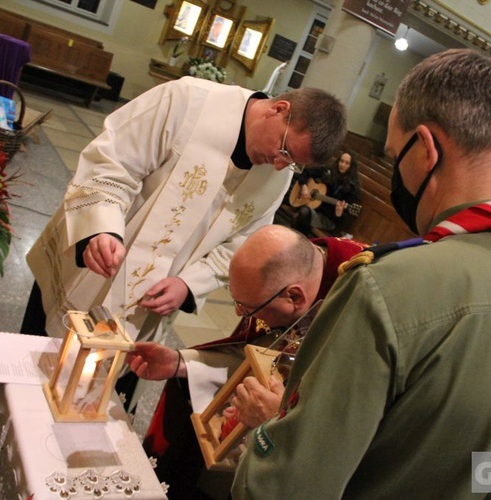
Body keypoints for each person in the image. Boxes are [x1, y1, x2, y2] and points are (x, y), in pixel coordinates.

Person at [233, 49, 491, 499]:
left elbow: (289, 489)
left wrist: (271, 431)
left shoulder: (391, 285)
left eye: (395, 156)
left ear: (426, 150)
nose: (396, 174)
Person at [22, 78, 347, 346]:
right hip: (94, 264)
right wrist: (102, 227)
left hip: (146, 307)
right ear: (278, 110)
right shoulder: (189, 101)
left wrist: (189, 284)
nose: (280, 165)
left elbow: (243, 244)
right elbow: (112, 161)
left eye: (292, 162)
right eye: (284, 150)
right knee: (29, 365)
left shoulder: (278, 177)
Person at [126, 225, 368, 498]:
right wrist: (178, 363)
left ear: (295, 297)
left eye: (247, 307)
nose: (239, 313)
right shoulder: (292, 264)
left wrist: (279, 419)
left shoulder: (361, 308)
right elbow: (253, 353)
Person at [286, 151, 361, 237]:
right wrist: (304, 186)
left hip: (327, 219)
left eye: (347, 163)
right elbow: (304, 172)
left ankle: (297, 242)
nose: (342, 165)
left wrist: (338, 214)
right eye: (341, 161)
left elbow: (343, 222)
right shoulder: (328, 172)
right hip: (313, 208)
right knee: (289, 201)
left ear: (351, 167)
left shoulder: (351, 188)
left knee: (302, 213)